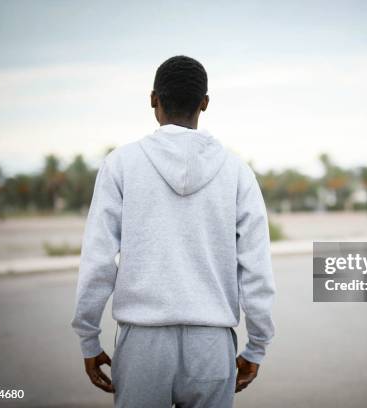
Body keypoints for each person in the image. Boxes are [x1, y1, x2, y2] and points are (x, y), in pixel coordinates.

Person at [71, 55, 276, 408]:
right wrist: (256, 346)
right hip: (211, 345)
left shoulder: (121, 165)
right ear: (205, 103)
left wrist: (89, 338)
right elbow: (256, 269)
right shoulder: (237, 171)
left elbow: (98, 260)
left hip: (141, 345)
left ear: (154, 100)